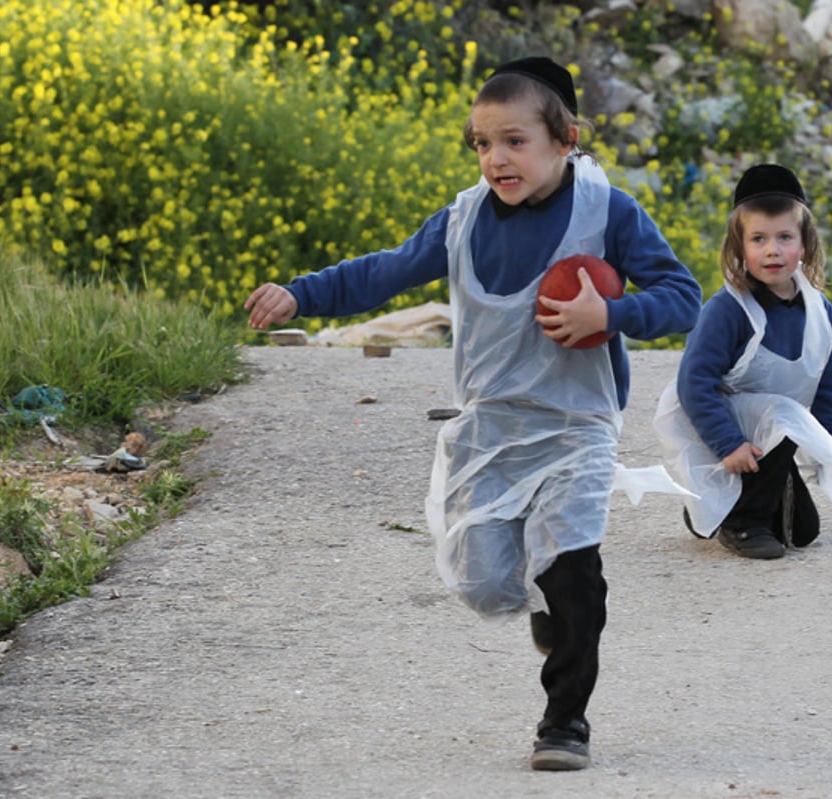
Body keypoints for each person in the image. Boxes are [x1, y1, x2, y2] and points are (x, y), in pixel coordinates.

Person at [245, 56, 701, 770]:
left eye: (515, 140)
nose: (496, 157)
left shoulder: (607, 212)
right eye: (482, 142)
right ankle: (543, 602)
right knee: (485, 582)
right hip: (489, 428)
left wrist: (609, 311)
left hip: (576, 425)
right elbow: (385, 269)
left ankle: (565, 720)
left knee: (572, 566)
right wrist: (302, 294)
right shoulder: (461, 220)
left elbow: (683, 296)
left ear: (565, 139)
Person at [653, 163, 832, 560]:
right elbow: (694, 382)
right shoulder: (727, 310)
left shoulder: (819, 311)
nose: (772, 250)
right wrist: (727, 443)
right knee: (783, 417)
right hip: (716, 426)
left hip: (772, 429)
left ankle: (715, 506)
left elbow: (831, 380)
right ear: (740, 249)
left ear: (804, 245)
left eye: (785, 236)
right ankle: (739, 522)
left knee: (803, 532)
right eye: (758, 239)